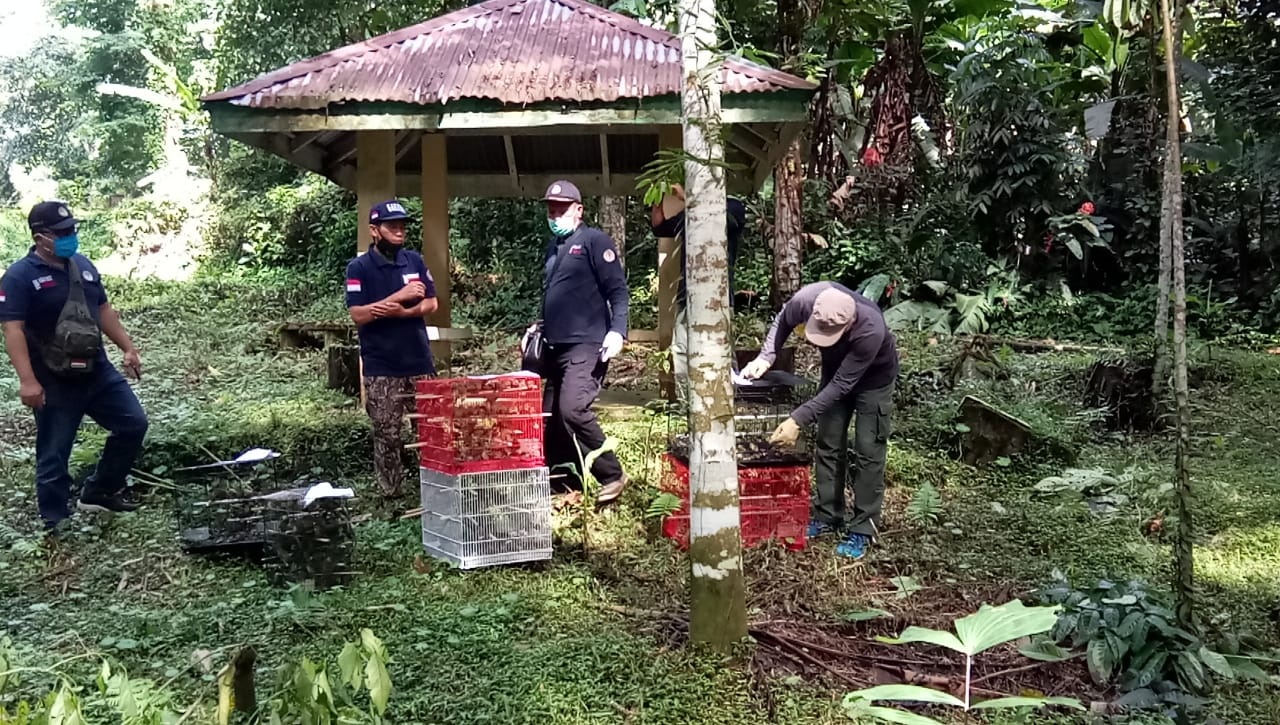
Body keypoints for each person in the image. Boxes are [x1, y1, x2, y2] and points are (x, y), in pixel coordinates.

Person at [0, 200, 149, 532]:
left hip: (97, 371)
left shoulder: (82, 265)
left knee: (133, 424)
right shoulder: (20, 277)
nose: (71, 237)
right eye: (63, 233)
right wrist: (27, 381)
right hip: (53, 379)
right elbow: (12, 330)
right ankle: (56, 520)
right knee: (54, 453)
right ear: (41, 237)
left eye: (73, 230)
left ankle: (99, 491)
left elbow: (105, 310)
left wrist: (128, 348)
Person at [741, 282, 898, 560]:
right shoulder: (808, 298)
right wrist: (766, 356)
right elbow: (783, 319)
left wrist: (797, 419)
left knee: (868, 450)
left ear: (848, 325)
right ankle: (828, 515)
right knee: (828, 441)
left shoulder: (870, 329)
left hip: (873, 382)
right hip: (834, 372)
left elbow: (841, 385)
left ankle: (863, 527)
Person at [538, 180, 630, 504]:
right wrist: (537, 326)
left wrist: (618, 330)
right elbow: (553, 296)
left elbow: (617, 289)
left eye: (561, 209)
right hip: (555, 347)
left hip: (587, 345)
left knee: (573, 409)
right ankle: (565, 485)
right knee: (551, 416)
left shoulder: (593, 241)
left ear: (579, 210)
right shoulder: (553, 248)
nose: (555, 215)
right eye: (551, 210)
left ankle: (612, 474)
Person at [345, 199, 438, 497]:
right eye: (392, 227)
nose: (399, 232)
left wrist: (407, 312)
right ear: (375, 230)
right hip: (382, 366)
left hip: (420, 361)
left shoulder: (414, 261)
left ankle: (436, 489)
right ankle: (391, 494)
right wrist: (401, 296)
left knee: (431, 429)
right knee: (387, 433)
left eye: (402, 227)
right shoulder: (358, 268)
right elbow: (358, 314)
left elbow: (432, 302)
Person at [650, 185, 747, 393]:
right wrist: (656, 197)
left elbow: (718, 221)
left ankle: (729, 401)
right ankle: (688, 403)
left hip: (717, 295)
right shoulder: (689, 212)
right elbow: (660, 228)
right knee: (682, 350)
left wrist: (687, 196)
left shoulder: (733, 206)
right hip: (687, 295)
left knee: (721, 351)